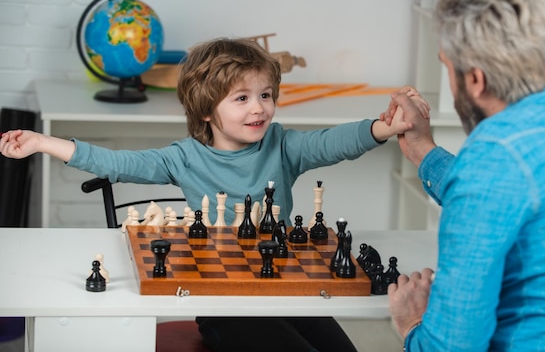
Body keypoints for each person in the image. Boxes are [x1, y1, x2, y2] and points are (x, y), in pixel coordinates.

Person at [0, 37, 429, 352]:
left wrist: (384, 128)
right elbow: (119, 163)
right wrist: (45, 143)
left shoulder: (282, 146)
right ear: (206, 109)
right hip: (223, 301)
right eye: (241, 98)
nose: (258, 108)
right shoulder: (184, 158)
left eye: (265, 95)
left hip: (287, 290)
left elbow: (332, 142)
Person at [384, 0, 545, 351]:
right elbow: (513, 194)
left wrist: (414, 322)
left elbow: (452, 348)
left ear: (476, 79)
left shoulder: (492, 160)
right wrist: (422, 150)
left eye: (447, 67)